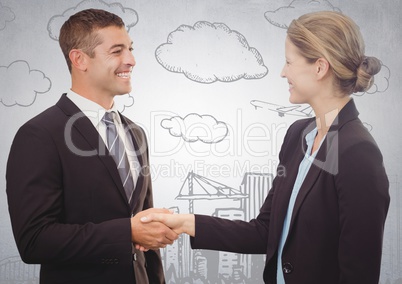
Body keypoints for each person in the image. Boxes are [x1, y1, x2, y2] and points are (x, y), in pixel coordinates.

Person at [141, 11, 390, 284]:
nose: (283, 72)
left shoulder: (358, 153)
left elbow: (360, 275)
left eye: (289, 62)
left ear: (320, 67)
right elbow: (266, 231)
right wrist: (185, 223)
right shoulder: (299, 135)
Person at [6, 9, 178, 284]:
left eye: (130, 49)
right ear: (79, 59)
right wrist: (126, 232)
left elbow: (145, 236)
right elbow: (34, 241)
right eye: (117, 51)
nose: (131, 60)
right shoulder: (38, 135)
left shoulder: (136, 134)